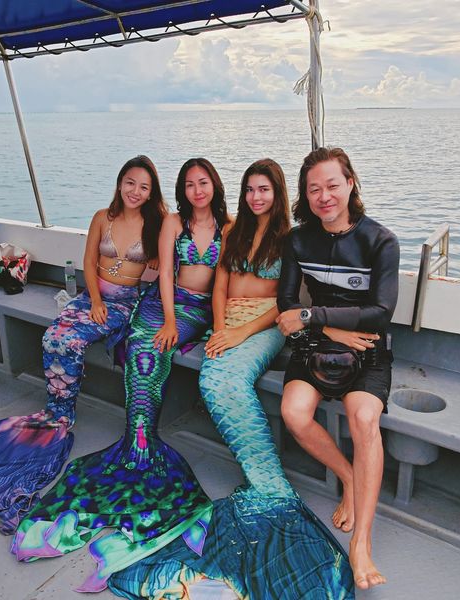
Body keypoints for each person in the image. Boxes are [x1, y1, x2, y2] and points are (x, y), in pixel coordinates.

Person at [108, 159, 354, 599]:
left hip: (263, 326)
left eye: (265, 190)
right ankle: (264, 476)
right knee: (210, 380)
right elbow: (219, 284)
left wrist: (240, 331)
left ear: (278, 194)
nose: (258, 197)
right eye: (251, 190)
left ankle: (270, 485)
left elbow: (284, 304)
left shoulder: (290, 238)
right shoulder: (233, 230)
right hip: (226, 323)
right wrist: (220, 327)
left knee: (227, 384)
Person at [11, 158, 230, 593]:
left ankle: (142, 444)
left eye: (203, 182)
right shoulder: (172, 222)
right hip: (159, 305)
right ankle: (137, 440)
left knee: (145, 348)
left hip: (197, 309)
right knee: (141, 350)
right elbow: (163, 273)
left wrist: (219, 327)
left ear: (215, 185)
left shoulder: (230, 224)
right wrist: (165, 318)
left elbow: (222, 280)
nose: (196, 189)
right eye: (189, 183)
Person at [0, 155, 165, 534]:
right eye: (130, 182)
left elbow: (157, 272)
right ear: (120, 182)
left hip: (125, 305)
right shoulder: (101, 216)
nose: (136, 192)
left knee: (68, 340)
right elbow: (90, 262)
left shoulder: (156, 224)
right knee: (54, 337)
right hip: (93, 299)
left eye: (144, 186)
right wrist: (96, 300)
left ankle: (62, 417)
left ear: (151, 191)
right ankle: (57, 411)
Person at [276, 146, 400, 590]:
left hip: (367, 347)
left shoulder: (380, 241)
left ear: (350, 183)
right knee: (294, 414)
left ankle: (361, 542)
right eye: (314, 189)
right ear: (305, 196)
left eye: (332, 185)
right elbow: (287, 306)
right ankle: (349, 476)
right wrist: (325, 330)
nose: (324, 196)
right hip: (319, 344)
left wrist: (319, 318)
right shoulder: (297, 239)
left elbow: (381, 312)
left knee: (364, 418)